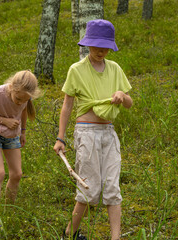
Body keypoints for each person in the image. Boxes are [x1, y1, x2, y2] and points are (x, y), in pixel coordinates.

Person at [53, 19, 133, 240]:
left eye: (105, 46)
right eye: (97, 45)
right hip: (86, 133)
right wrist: (61, 137)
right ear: (88, 44)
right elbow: (67, 106)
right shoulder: (76, 70)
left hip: (109, 133)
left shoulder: (115, 68)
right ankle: (69, 234)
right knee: (89, 189)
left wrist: (122, 96)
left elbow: (129, 103)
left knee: (112, 188)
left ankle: (116, 238)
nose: (101, 50)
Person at [0, 70, 40, 228]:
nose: (20, 102)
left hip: (12, 135)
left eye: (25, 100)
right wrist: (4, 121)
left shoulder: (25, 99)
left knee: (17, 174)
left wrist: (23, 132)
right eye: (18, 98)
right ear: (12, 87)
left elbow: (24, 111)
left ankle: (9, 210)